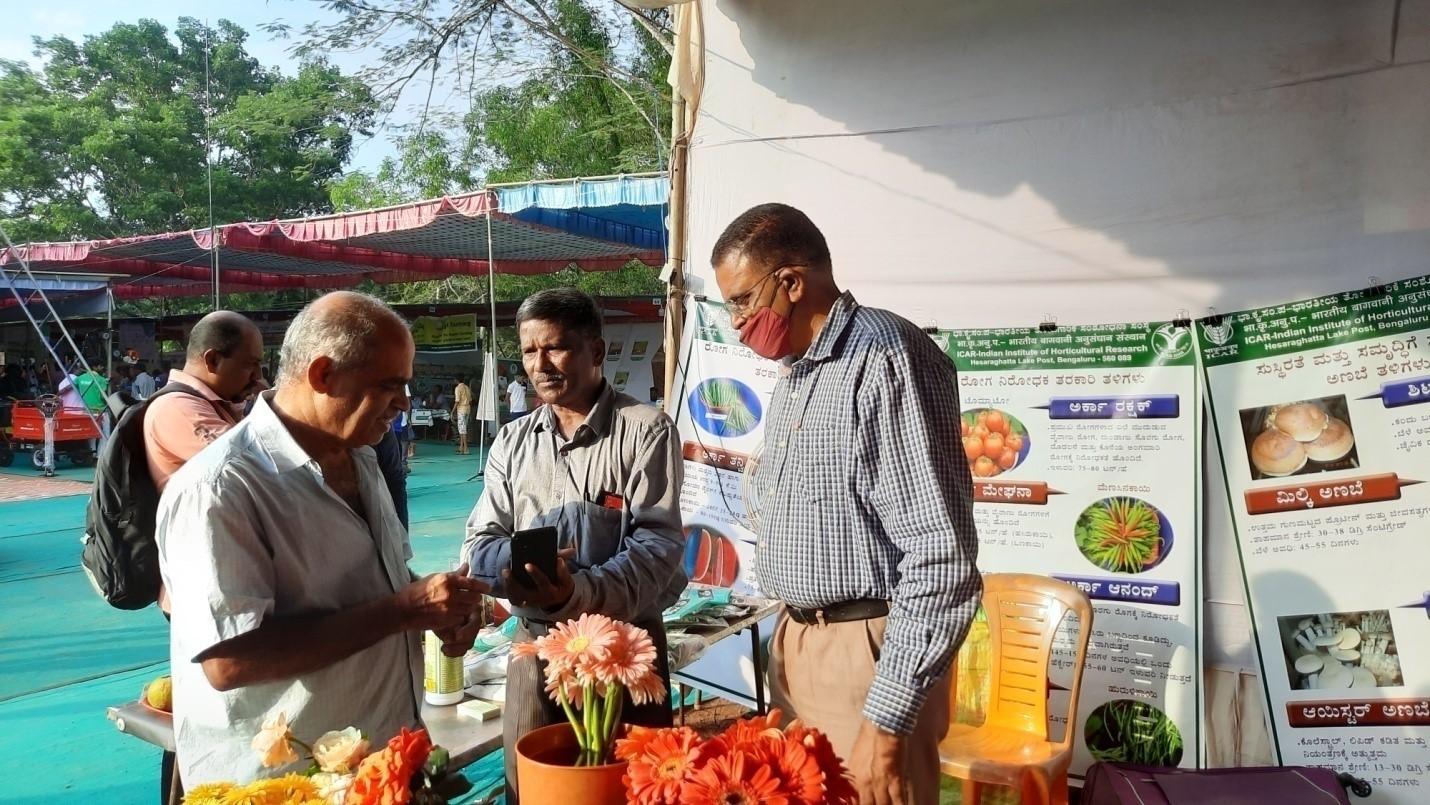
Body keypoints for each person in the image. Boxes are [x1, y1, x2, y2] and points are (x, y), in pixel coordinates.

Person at [157, 291, 490, 786]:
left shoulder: (361, 455)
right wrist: (404, 611)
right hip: (286, 786)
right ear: (322, 376)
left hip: (380, 768)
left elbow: (376, 583)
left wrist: (435, 612)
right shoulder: (222, 487)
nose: (404, 402)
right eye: (390, 385)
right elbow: (229, 661)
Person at [711, 203, 981, 805]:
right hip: (803, 642)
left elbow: (942, 559)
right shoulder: (801, 372)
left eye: (740, 301)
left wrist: (885, 725)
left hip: (868, 656)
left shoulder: (887, 359)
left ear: (791, 282)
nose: (735, 323)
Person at [462, 288, 685, 803]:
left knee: (634, 787)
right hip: (536, 647)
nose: (540, 365)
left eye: (556, 348)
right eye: (529, 351)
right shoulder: (512, 441)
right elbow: (479, 543)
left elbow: (658, 545)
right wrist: (522, 574)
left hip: (627, 650)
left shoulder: (645, 430)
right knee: (535, 788)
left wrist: (574, 593)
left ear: (598, 351)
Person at [140, 311, 264, 799]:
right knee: (205, 717)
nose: (257, 378)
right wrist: (273, 409)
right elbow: (247, 467)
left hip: (231, 577)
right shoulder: (178, 410)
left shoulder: (224, 404)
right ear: (212, 359)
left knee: (231, 710)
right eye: (249, 367)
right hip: (200, 588)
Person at [451, 377, 473, 454]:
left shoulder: (458, 388)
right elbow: (470, 400)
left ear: (456, 380)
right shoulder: (467, 388)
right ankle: (461, 446)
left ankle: (466, 448)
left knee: (462, 430)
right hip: (467, 409)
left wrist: (452, 411)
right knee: (463, 428)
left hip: (461, 409)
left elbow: (457, 401)